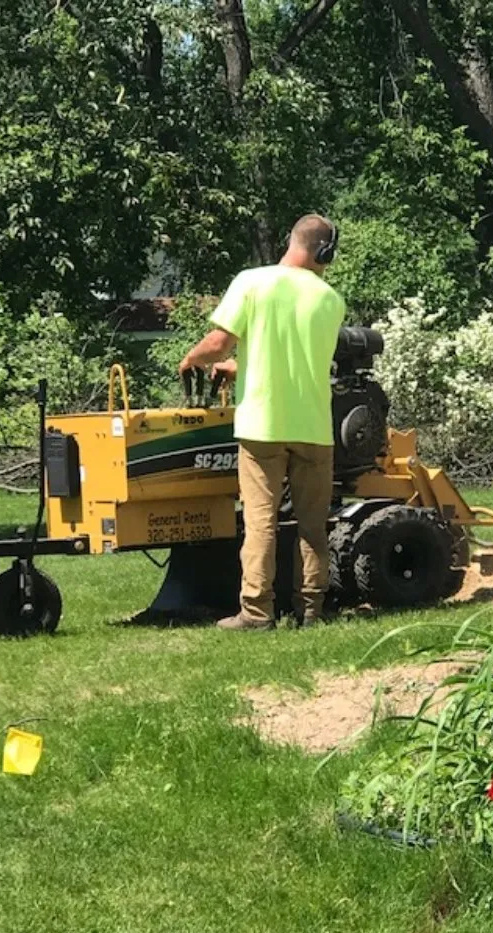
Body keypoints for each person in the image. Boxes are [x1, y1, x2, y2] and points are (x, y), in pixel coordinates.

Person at [178, 214, 345, 631]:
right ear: (323, 252)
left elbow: (218, 344)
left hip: (262, 427)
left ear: (292, 241)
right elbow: (296, 357)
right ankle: (310, 609)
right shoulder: (331, 300)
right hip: (313, 428)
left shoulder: (253, 282)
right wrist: (240, 366)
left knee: (261, 520)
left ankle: (256, 612)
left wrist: (191, 359)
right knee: (312, 525)